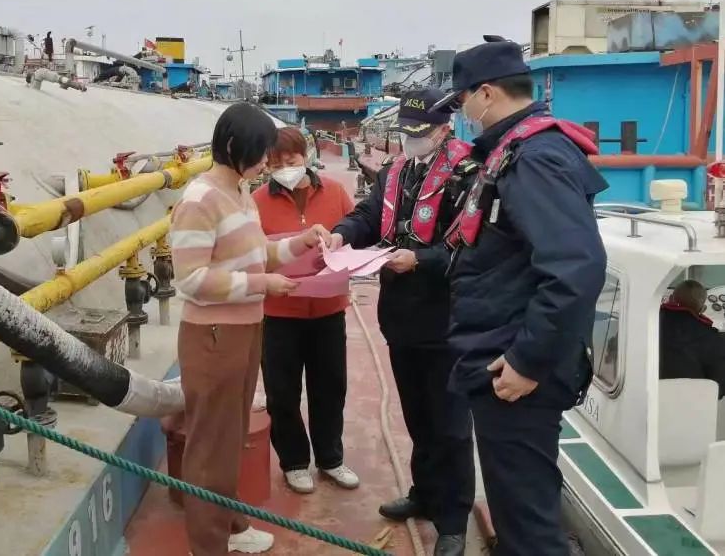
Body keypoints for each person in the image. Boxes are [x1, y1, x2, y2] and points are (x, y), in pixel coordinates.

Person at [430, 39, 608, 556]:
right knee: (516, 507)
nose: (463, 113)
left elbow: (576, 266)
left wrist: (528, 360)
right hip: (499, 354)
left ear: (486, 94)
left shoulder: (535, 157)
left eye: (463, 100)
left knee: (528, 525)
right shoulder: (513, 151)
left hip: (515, 369)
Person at [171, 103, 332, 556]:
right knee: (211, 447)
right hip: (213, 335)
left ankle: (231, 523)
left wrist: (299, 243)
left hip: (242, 330)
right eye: (261, 153)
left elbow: (258, 252)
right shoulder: (200, 200)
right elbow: (191, 279)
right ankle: (207, 545)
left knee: (230, 437)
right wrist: (263, 284)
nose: (266, 162)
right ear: (232, 146)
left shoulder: (239, 191)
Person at [331, 88, 478, 556]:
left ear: (444, 129)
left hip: (446, 320)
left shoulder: (468, 174)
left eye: (421, 132)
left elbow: (472, 249)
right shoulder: (397, 171)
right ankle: (424, 493)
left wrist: (421, 260)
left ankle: (452, 519)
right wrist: (340, 235)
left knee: (450, 425)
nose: (412, 140)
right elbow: (368, 215)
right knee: (416, 416)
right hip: (401, 318)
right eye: (406, 133)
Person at [252, 127, 358, 495]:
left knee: (330, 386)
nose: (285, 168)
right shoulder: (257, 201)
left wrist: (343, 251)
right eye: (276, 163)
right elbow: (252, 254)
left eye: (291, 160)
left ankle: (330, 458)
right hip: (279, 313)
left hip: (328, 309)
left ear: (306, 155)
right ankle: (294, 461)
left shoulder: (335, 192)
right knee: (282, 391)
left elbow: (355, 232)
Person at [660, 280, 725, 397]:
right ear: (702, 309)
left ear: (670, 298)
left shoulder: (647, 322)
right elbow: (718, 389)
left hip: (643, 401)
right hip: (690, 404)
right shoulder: (712, 339)